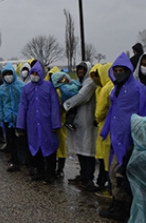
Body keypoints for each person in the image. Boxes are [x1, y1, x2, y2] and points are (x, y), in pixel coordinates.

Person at [99, 52, 146, 221]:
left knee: (123, 174)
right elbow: (112, 113)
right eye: (116, 70)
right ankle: (117, 204)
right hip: (116, 139)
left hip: (130, 141)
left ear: (128, 71)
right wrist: (105, 130)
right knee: (115, 173)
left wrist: (142, 139)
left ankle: (123, 208)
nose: (119, 73)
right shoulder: (116, 90)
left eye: (122, 70)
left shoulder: (138, 90)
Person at [17, 62, 60, 184]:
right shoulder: (26, 89)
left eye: (37, 73)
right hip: (33, 124)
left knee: (50, 148)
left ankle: (51, 174)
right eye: (33, 73)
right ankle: (40, 172)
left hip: (47, 123)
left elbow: (54, 105)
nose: (34, 75)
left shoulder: (48, 87)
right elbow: (23, 106)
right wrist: (20, 125)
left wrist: (55, 123)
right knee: (36, 149)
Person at [63, 62, 98, 190]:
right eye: (79, 70)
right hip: (80, 122)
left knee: (88, 150)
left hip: (87, 121)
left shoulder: (90, 83)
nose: (81, 72)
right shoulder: (80, 82)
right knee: (81, 149)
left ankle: (88, 178)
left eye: (83, 70)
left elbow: (82, 96)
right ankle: (83, 175)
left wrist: (67, 104)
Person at [0, 62, 26, 172]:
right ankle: (14, 161)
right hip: (8, 119)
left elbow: (25, 102)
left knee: (22, 141)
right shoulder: (1, 89)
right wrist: (1, 116)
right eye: (6, 74)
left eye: (10, 73)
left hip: (20, 119)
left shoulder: (21, 86)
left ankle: (24, 161)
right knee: (11, 141)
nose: (8, 76)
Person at [92, 62, 113, 196]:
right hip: (110, 127)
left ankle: (109, 188)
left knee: (107, 159)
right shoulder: (110, 86)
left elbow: (100, 111)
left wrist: (96, 118)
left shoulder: (106, 89)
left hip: (105, 126)